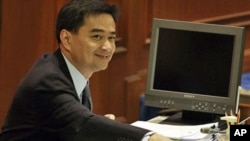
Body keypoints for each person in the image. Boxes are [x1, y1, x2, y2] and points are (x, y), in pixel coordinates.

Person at [0, 0, 173, 141]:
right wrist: (148, 137)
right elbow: (81, 122)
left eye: (111, 38)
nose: (107, 47)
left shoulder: (71, 69)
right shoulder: (48, 80)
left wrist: (98, 127)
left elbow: (72, 123)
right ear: (67, 39)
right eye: (97, 37)